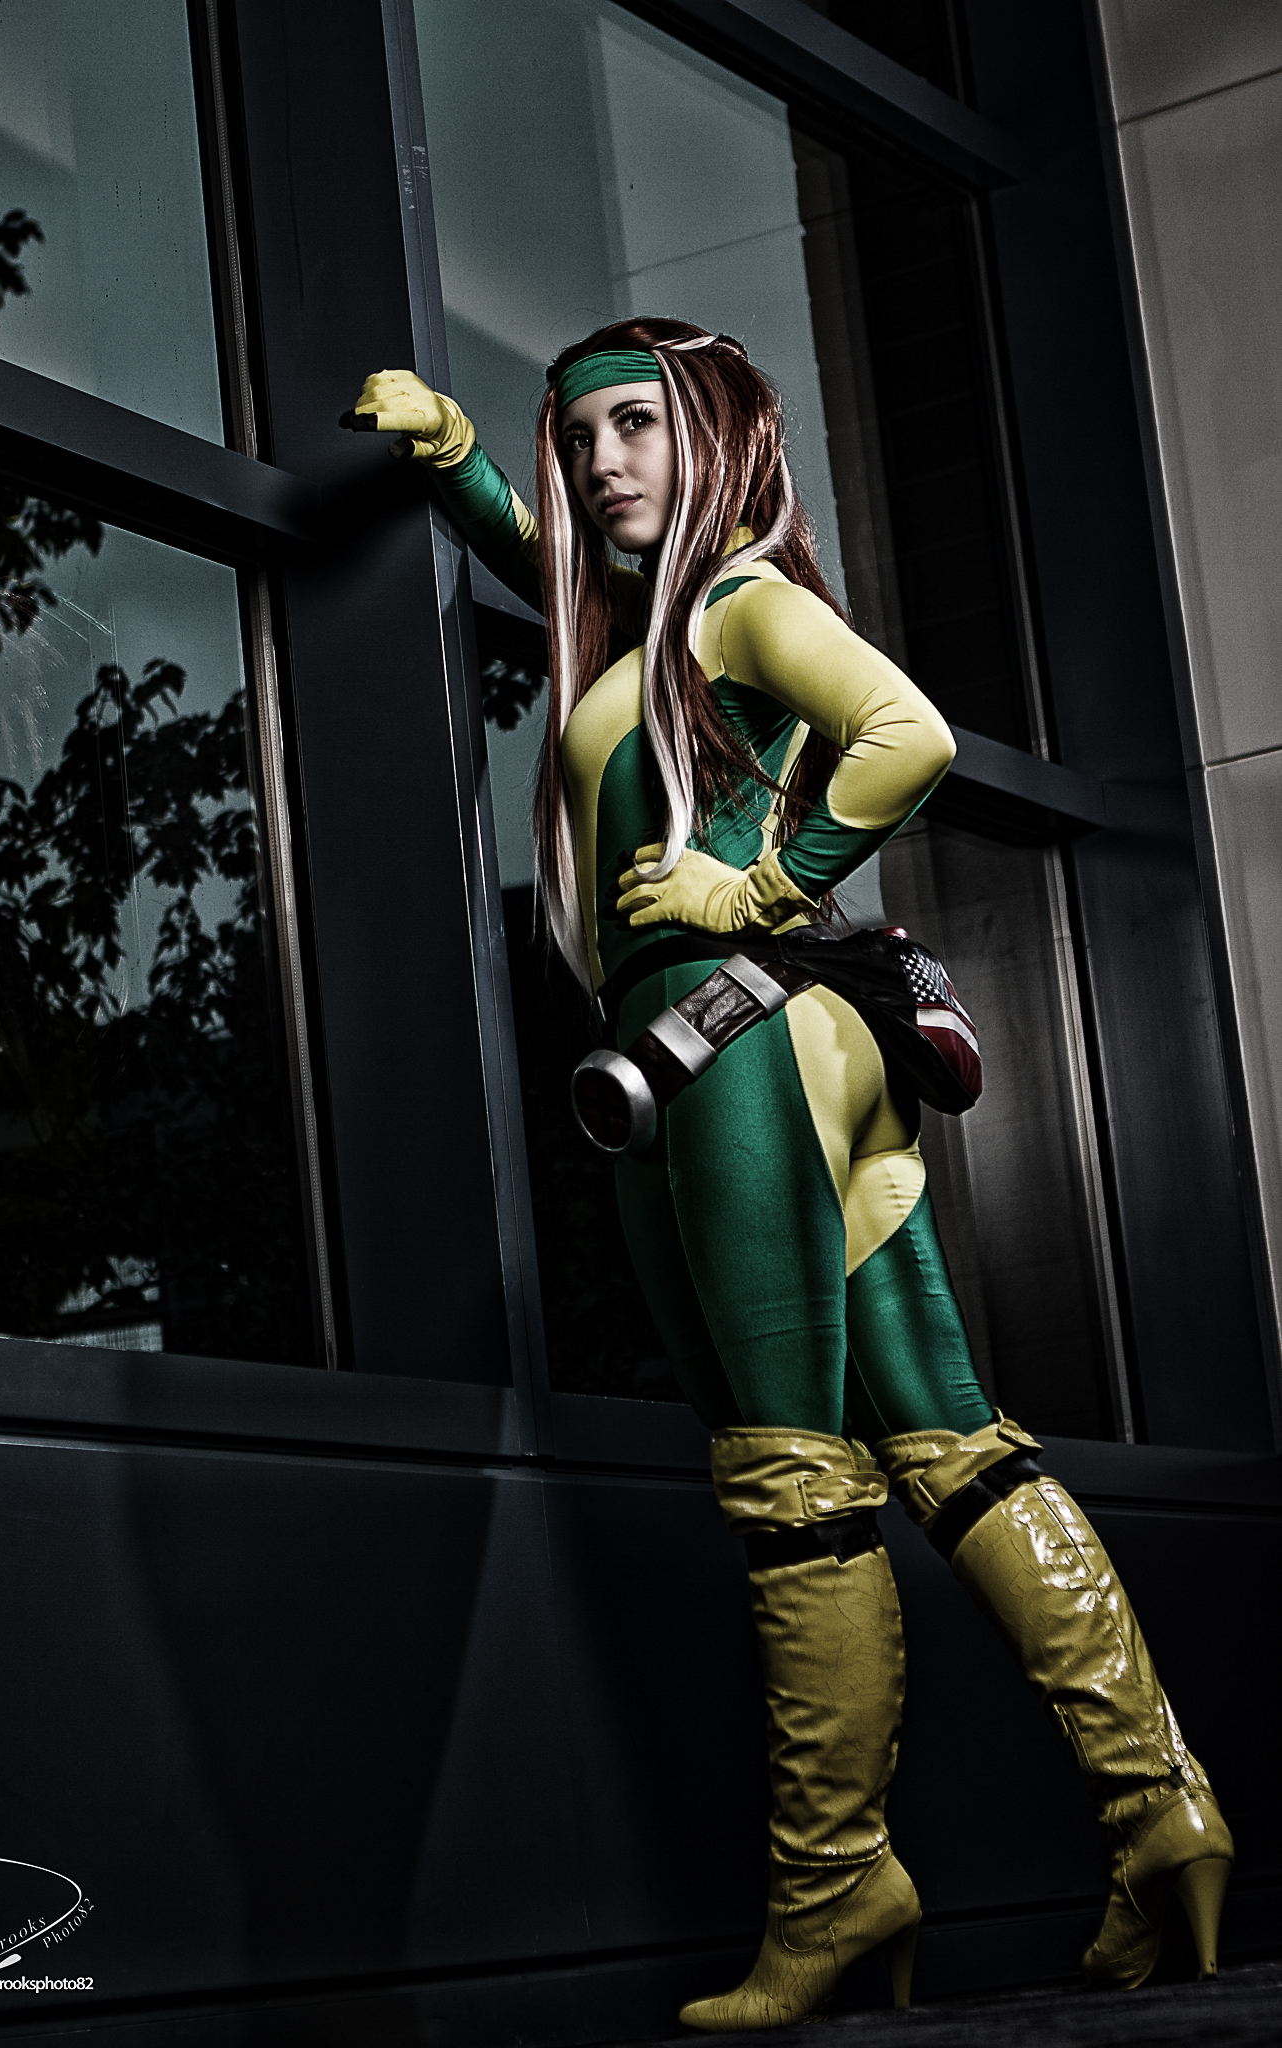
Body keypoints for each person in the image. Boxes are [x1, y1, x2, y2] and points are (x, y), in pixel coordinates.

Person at [348, 319, 1232, 2030]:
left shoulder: (737, 605)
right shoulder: (667, 618)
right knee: (947, 1439)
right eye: (578, 435)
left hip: (726, 1037)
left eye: (636, 424)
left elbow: (905, 733)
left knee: (786, 1469)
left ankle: (836, 1887)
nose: (601, 461)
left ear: (719, 435)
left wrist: (754, 889)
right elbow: (558, 571)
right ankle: (1162, 1814)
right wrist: (459, 458)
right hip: (777, 1046)